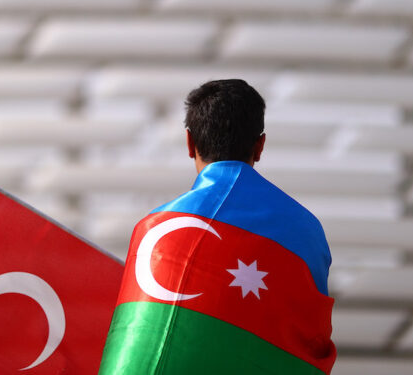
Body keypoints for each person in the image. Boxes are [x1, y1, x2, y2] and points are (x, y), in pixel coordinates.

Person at [99, 79, 336, 374]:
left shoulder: (155, 229)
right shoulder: (307, 230)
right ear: (260, 146)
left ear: (189, 142)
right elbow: (311, 337)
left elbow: (138, 344)